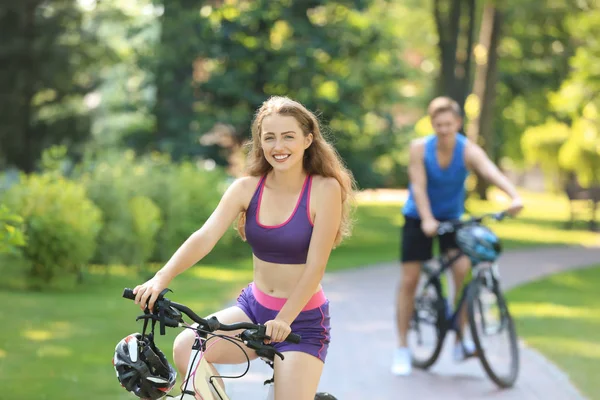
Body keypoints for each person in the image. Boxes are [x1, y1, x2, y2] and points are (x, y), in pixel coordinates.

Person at [133, 96, 356, 399]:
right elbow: (205, 236)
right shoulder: (247, 188)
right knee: (187, 348)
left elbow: (316, 266)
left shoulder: (324, 189)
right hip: (253, 309)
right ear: (260, 142)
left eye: (288, 136)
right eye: (270, 137)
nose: (279, 146)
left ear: (308, 139)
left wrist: (284, 320)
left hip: (301, 321)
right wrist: (161, 277)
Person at [391, 96, 524, 376]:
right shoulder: (419, 148)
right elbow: (418, 185)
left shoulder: (467, 150)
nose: (443, 129)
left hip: (453, 217)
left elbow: (490, 171)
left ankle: (460, 341)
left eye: (448, 124)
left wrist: (513, 196)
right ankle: (402, 347)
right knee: (410, 279)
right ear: (432, 124)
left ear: (458, 123)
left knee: (463, 274)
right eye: (438, 125)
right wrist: (427, 218)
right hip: (419, 217)